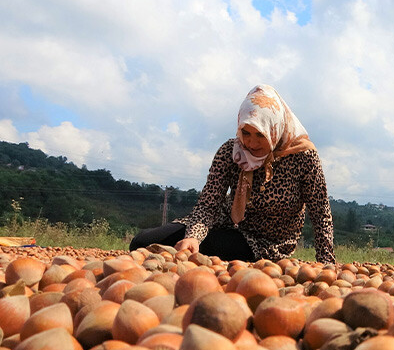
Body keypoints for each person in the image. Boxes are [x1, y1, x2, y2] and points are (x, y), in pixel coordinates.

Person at [130, 84, 335, 264]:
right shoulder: (231, 152)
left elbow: (321, 214)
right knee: (142, 242)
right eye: (245, 133)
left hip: (265, 243)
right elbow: (208, 205)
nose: (251, 143)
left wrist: (326, 265)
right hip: (224, 223)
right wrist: (193, 236)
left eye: (260, 135)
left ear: (275, 129)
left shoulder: (303, 157)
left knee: (211, 247)